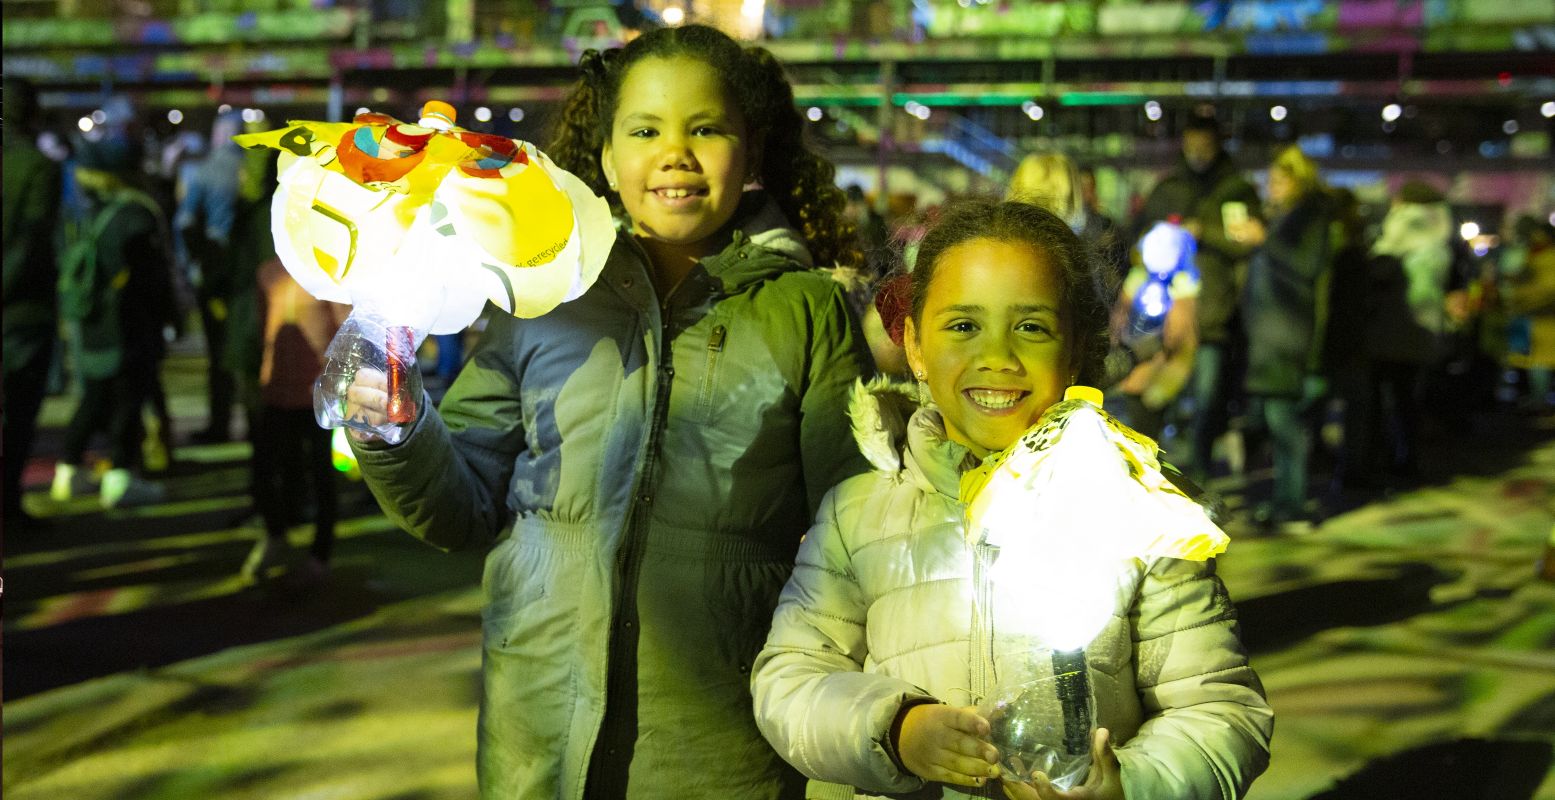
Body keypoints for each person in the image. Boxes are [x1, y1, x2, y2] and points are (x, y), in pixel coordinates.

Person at [340, 24, 873, 798]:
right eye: (646, 129)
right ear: (606, 155)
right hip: (539, 729)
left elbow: (849, 540)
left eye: (707, 128)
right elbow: (460, 510)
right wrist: (398, 427)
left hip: (719, 740)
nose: (675, 152)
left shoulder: (808, 312)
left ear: (750, 151)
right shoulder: (541, 296)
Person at [751, 199, 1272, 800]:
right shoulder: (856, 513)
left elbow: (1220, 708)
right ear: (915, 346)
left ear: (1075, 347)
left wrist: (1131, 785)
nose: (997, 356)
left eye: (1030, 326)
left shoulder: (1140, 512)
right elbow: (789, 681)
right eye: (964, 326)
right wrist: (894, 729)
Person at [51, 133, 178, 508]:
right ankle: (121, 479)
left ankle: (67, 472)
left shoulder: (90, 214)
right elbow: (152, 280)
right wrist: (169, 318)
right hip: (129, 325)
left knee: (94, 397)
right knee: (128, 399)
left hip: (92, 323)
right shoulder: (136, 214)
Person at [1134, 114, 1262, 483]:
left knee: (1208, 399)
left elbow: (1248, 243)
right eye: (1191, 144)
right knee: (1161, 397)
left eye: (1204, 145)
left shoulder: (1236, 189)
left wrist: (1205, 233)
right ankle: (1160, 473)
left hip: (1214, 316)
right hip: (1168, 316)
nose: (1198, 152)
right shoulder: (1169, 188)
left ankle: (1200, 470)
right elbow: (1140, 240)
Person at [1233, 146, 1334, 530]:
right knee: (1279, 425)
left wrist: (1264, 241)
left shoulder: (1309, 219)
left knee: (1286, 427)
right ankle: (1286, 501)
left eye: (1277, 180)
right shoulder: (1287, 218)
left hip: (1288, 340)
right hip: (1273, 339)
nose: (1270, 187)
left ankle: (1292, 505)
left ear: (1297, 180)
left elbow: (1304, 267)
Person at [3, 78, 63, 527]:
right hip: (21, 312)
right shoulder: (37, 167)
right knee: (19, 414)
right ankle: (8, 505)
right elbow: (31, 241)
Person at [175, 109, 246, 444]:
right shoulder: (254, 172)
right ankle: (256, 421)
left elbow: (186, 222)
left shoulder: (203, 171)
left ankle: (219, 423)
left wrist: (195, 263)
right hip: (248, 277)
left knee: (218, 354)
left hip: (214, 276)